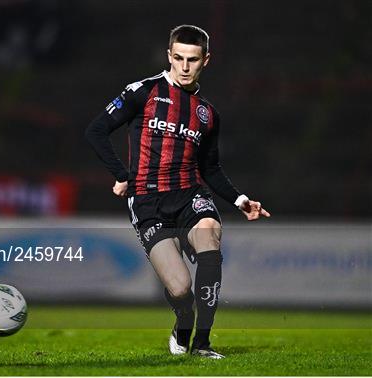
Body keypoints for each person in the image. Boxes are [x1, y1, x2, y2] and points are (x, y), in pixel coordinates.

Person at [85, 25, 270, 359]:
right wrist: (121, 174)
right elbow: (96, 131)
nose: (185, 67)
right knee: (181, 287)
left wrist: (240, 200)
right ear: (169, 56)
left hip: (190, 195)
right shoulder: (142, 92)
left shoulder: (207, 114)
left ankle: (202, 344)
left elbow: (211, 168)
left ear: (206, 61)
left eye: (193, 60)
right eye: (179, 58)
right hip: (147, 201)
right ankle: (184, 319)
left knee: (210, 233)